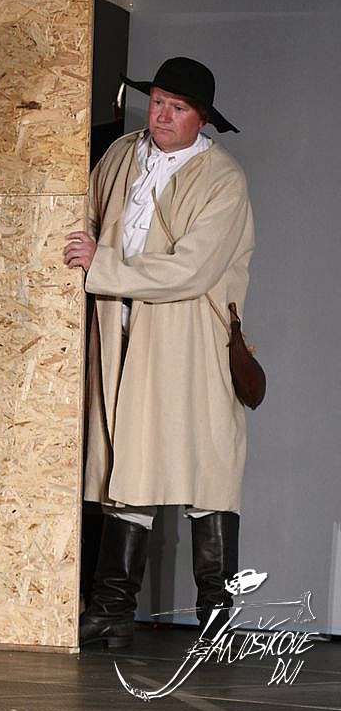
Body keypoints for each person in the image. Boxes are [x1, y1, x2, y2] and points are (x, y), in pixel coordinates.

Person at [63, 57, 253, 648]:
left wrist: (102, 265)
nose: (162, 116)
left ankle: (217, 617)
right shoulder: (123, 154)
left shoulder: (222, 179)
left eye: (178, 107)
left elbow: (192, 269)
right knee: (130, 462)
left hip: (186, 338)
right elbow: (86, 215)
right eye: (158, 102)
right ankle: (112, 610)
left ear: (202, 118)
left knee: (207, 468)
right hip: (121, 331)